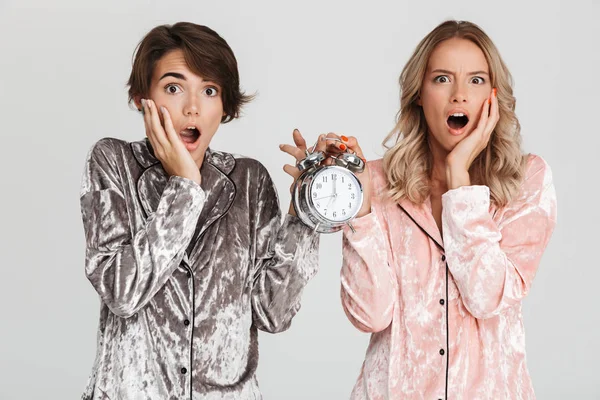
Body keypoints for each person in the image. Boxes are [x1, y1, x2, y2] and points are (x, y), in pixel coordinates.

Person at [79, 22, 319, 399]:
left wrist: (307, 213)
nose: (192, 108)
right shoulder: (113, 162)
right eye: (173, 88)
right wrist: (185, 187)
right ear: (144, 97)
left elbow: (272, 314)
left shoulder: (249, 180)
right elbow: (122, 292)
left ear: (224, 106)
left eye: (209, 90)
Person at [334, 20, 557, 399]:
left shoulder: (526, 180)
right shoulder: (375, 181)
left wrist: (459, 177)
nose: (459, 95)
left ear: (493, 94)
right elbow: (370, 315)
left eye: (475, 80)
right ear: (419, 93)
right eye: (441, 79)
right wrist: (360, 207)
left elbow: (487, 296)